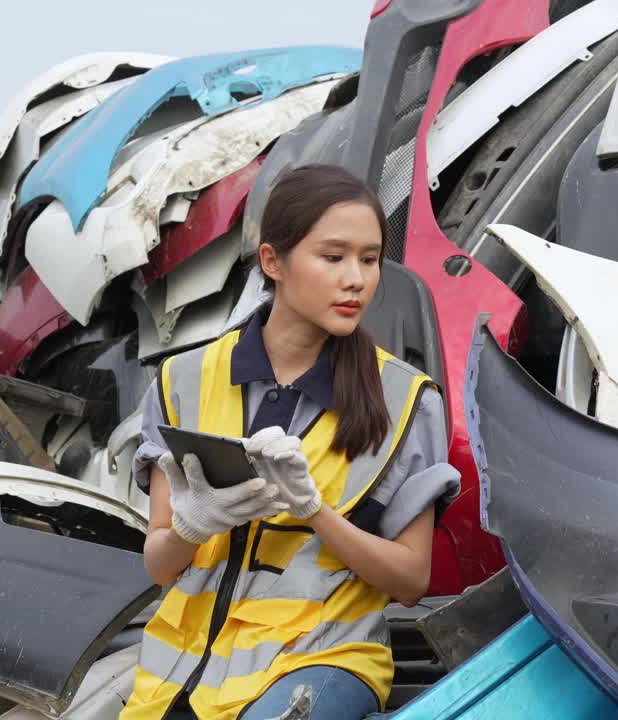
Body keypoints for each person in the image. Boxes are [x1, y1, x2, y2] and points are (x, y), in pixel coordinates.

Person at [120, 164, 460, 720]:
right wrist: (191, 526)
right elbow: (160, 566)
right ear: (273, 262)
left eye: (369, 260)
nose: (356, 279)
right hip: (181, 674)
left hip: (323, 658)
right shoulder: (182, 380)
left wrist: (315, 512)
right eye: (333, 258)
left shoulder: (406, 400)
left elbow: (410, 581)